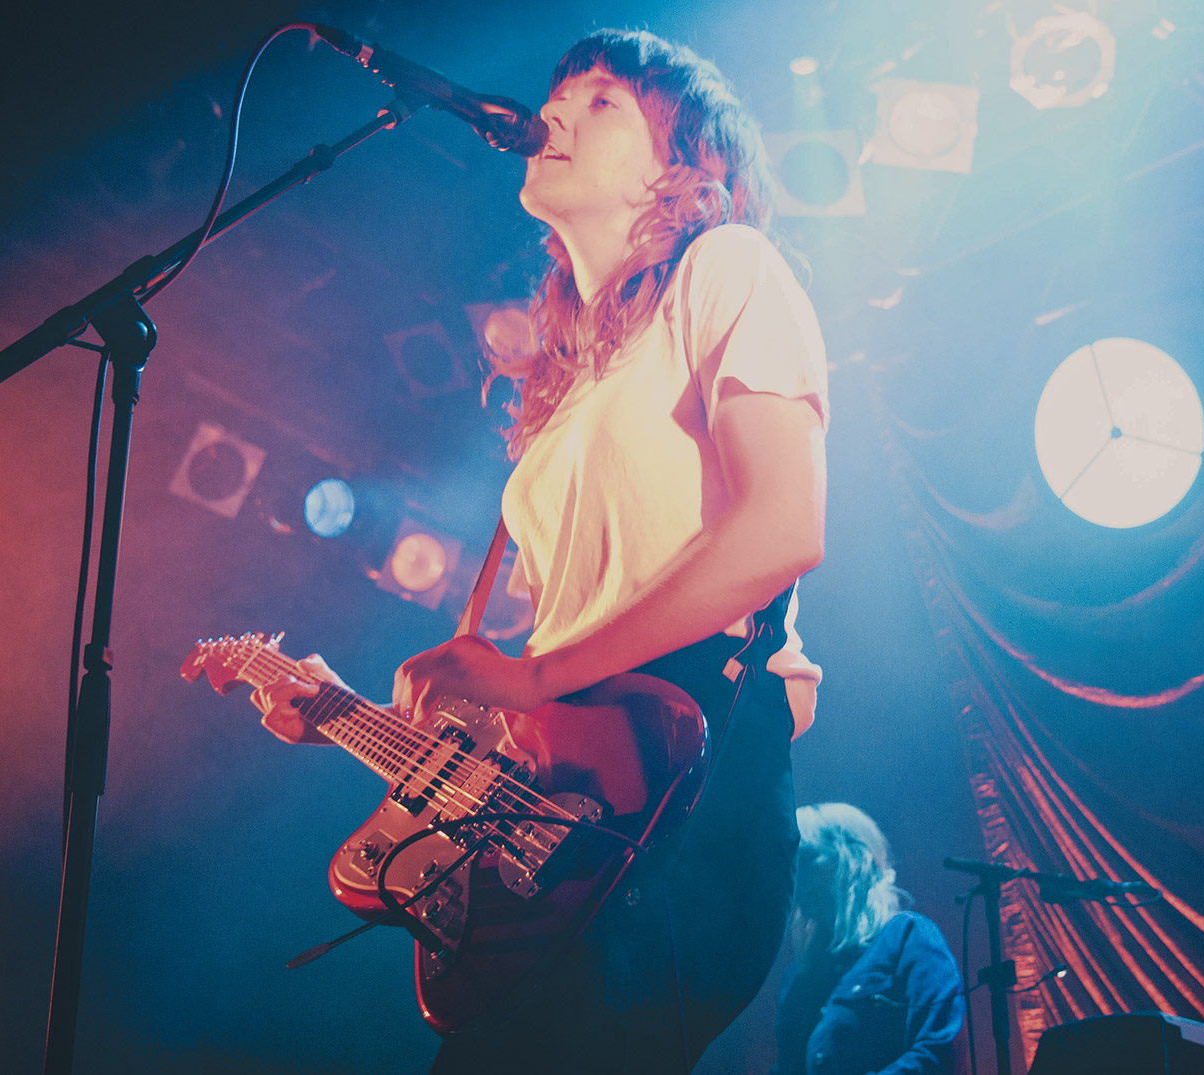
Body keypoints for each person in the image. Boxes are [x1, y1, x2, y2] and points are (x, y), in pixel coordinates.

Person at [253, 28, 829, 1072]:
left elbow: (782, 528)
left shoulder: (727, 266)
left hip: (692, 765)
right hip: (581, 792)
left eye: (602, 101)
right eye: (559, 94)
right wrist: (354, 720)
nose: (555, 112)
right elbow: (548, 682)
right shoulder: (569, 392)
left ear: (680, 168)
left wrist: (531, 675)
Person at [771, 804, 964, 1075]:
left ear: (849, 860)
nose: (795, 879)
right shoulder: (798, 978)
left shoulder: (908, 937)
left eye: (806, 860)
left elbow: (937, 1051)